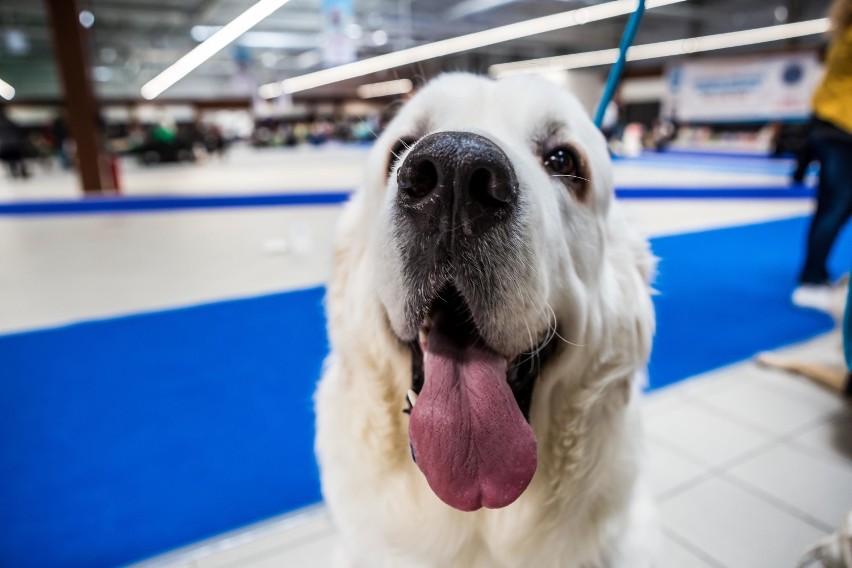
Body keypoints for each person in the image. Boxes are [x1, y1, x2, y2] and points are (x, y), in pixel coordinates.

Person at [793, 0, 852, 311]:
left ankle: (815, 272)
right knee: (838, 206)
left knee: (830, 206)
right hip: (842, 129)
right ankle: (811, 280)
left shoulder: (842, 33)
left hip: (828, 126)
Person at [0, 107, 29, 179]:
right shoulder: (10, 122)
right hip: (14, 142)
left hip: (5, 144)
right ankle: (22, 170)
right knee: (18, 158)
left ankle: (14, 171)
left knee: (10, 159)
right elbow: (18, 129)